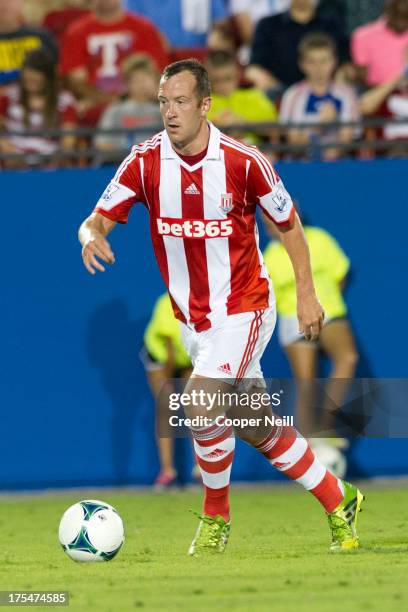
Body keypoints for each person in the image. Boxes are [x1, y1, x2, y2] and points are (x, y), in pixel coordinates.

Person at [78, 58, 364, 555]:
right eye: (164, 102)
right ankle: (338, 498)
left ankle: (216, 519)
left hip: (245, 307)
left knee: (200, 399)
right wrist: (88, 236)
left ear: (205, 104)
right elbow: (96, 219)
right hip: (193, 321)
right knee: (255, 424)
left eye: (181, 102)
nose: (170, 112)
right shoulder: (145, 162)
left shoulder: (244, 161)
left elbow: (289, 224)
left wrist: (307, 292)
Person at [263, 216, 358, 439]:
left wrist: (325, 299)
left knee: (348, 359)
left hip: (330, 312)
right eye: (266, 227)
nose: (269, 232)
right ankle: (307, 448)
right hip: (292, 320)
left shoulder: (319, 239)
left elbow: (340, 275)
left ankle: (325, 428)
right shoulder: (270, 255)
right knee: (306, 384)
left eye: (271, 225)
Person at [59, 0, 168, 120]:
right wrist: (103, 99)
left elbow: (157, 71)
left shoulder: (145, 28)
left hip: (141, 99)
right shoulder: (76, 31)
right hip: (94, 101)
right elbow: (74, 78)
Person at [279, 32, 360, 160]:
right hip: (302, 165)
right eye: (312, 62)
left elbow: (347, 139)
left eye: (324, 61)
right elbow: (293, 142)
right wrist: (319, 125)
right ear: (302, 64)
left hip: (338, 165)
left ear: (334, 61)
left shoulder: (347, 95)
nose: (319, 68)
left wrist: (328, 158)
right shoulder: (292, 95)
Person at [141, 292, 193, 488]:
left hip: (188, 358)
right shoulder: (167, 303)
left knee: (198, 407)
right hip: (160, 356)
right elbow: (170, 351)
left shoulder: (208, 301)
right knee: (166, 406)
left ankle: (202, 469)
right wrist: (170, 381)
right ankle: (167, 471)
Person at [247, 0, 349, 95]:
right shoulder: (267, 25)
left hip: (325, 90)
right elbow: (255, 67)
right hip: (279, 93)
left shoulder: (331, 25)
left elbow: (344, 64)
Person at [0, 48, 78, 168]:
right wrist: (8, 151)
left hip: (51, 167)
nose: (31, 78)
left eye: (36, 74)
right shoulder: (8, 96)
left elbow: (68, 141)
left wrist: (55, 162)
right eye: (28, 74)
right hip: (12, 167)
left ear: (48, 77)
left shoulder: (64, 101)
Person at [95, 54, 162, 160]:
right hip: (120, 165)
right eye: (137, 80)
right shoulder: (115, 111)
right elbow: (102, 144)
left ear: (155, 80)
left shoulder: (164, 110)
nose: (142, 85)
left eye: (146, 79)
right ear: (127, 84)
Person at [206, 49, 277, 145]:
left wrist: (243, 124)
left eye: (228, 78)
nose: (222, 85)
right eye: (216, 80)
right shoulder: (201, 102)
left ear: (237, 74)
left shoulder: (254, 96)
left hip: (253, 154)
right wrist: (219, 127)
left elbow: (275, 130)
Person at [124, 0, 228, 62]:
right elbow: (132, 26)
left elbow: (221, 24)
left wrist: (217, 35)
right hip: (157, 61)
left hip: (201, 60)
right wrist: (156, 41)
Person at [0, 0, 57, 91]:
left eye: (10, 0)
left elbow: (55, 75)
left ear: (21, 3)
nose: (5, 4)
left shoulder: (41, 36)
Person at [351, 0, 408, 87]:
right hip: (375, 94)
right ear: (387, 11)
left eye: (406, 16)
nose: (402, 21)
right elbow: (362, 78)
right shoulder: (363, 36)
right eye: (397, 14)